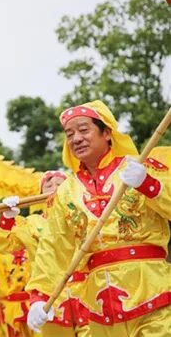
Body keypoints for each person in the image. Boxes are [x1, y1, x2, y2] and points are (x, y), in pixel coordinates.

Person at [26, 100, 171, 336]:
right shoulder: (66, 192)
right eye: (70, 134)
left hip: (152, 292)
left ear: (106, 133)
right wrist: (39, 295)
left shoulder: (140, 168)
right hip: (100, 306)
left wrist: (149, 185)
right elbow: (53, 246)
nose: (76, 139)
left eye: (84, 130)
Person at [0, 171, 91, 337]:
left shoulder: (84, 215)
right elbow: (3, 244)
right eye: (49, 185)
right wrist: (7, 218)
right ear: (40, 193)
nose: (54, 188)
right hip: (49, 293)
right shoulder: (31, 223)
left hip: (85, 290)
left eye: (60, 184)